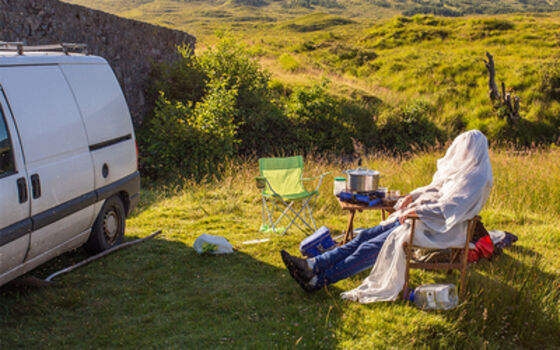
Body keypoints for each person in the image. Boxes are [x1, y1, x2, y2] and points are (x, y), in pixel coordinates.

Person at [281, 130, 493, 302]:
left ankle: (318, 281)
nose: (460, 153)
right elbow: (436, 188)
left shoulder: (476, 177)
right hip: (424, 220)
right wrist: (412, 196)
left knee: (371, 247)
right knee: (364, 237)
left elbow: (450, 207)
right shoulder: (462, 172)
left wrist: (416, 211)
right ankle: (312, 265)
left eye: (464, 149)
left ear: (473, 150)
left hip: (440, 229)